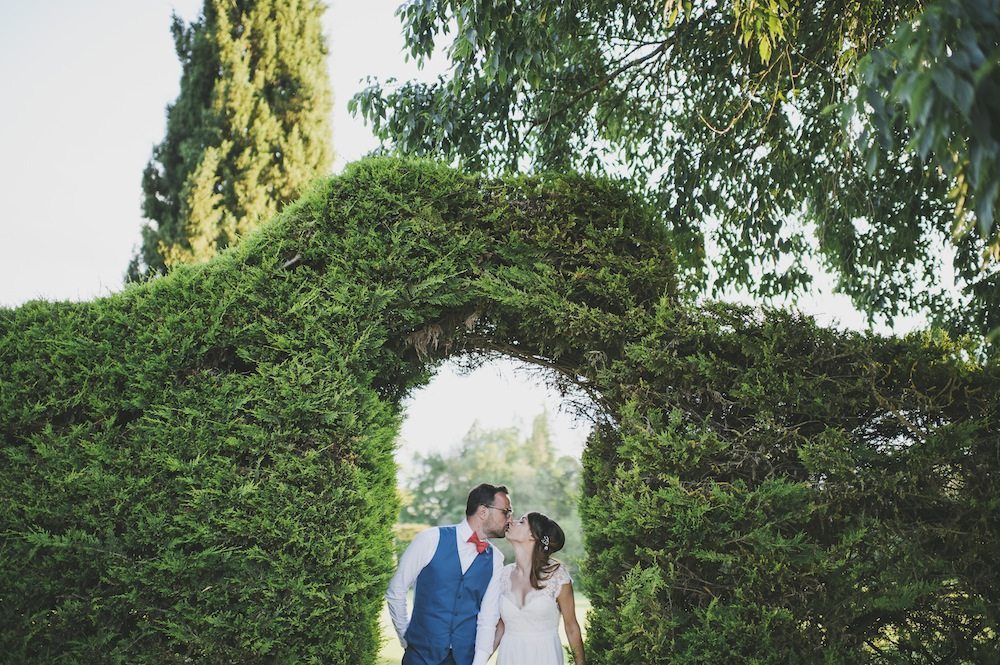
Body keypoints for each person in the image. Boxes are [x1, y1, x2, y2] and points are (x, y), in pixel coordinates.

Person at [386, 483, 513, 665]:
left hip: (463, 659)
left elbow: (488, 617)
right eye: (506, 511)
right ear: (483, 511)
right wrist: (405, 637)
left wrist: (478, 662)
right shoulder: (430, 539)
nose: (509, 518)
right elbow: (396, 590)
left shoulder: (495, 559)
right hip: (419, 656)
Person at [493, 512, 585, 665]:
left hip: (545, 656)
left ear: (533, 536)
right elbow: (500, 627)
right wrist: (478, 660)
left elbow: (571, 627)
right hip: (509, 656)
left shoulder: (558, 576)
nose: (512, 522)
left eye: (522, 522)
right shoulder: (503, 575)